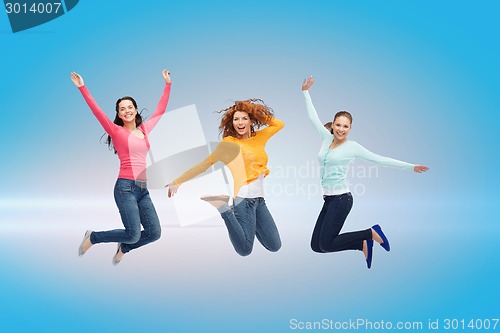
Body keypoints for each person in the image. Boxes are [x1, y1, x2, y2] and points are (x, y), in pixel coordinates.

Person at [302, 76, 428, 268]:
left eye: (345, 126)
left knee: (326, 243)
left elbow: (380, 160)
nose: (341, 129)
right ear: (333, 125)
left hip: (341, 200)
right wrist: (305, 91)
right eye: (338, 125)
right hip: (328, 200)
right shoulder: (326, 139)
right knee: (316, 246)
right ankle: (361, 244)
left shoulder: (353, 147)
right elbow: (313, 117)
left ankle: (370, 233)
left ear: (350, 128)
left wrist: (410, 166)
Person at [70, 69, 172, 265]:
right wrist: (83, 88)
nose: (126, 111)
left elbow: (160, 110)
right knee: (133, 234)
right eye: (122, 109)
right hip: (125, 188)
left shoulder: (144, 130)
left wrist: (168, 84)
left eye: (130, 107)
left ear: (135, 109)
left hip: (143, 190)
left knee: (154, 233)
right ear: (118, 113)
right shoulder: (116, 131)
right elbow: (97, 111)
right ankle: (93, 237)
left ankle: (124, 247)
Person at [167, 99, 284, 256]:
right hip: (243, 200)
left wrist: (255, 111)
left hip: (260, 201)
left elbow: (279, 125)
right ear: (232, 122)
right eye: (236, 119)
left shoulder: (259, 138)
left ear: (251, 121)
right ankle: (224, 208)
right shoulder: (228, 143)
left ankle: (241, 220)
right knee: (244, 250)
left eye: (244, 118)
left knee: (275, 246)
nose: (240, 122)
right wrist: (177, 182)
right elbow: (204, 164)